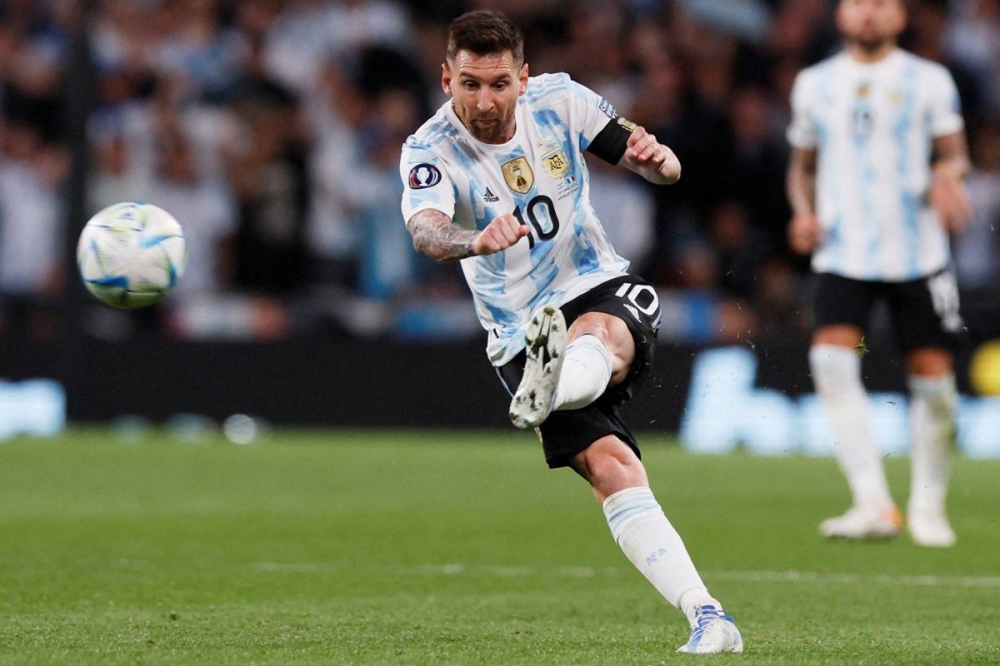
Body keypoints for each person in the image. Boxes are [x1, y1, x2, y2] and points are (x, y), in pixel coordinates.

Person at [400, 10, 743, 654]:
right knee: (613, 468)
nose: (485, 102)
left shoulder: (562, 100)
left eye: (498, 84)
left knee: (595, 333)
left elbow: (655, 164)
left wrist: (661, 162)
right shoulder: (428, 149)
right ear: (447, 80)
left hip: (595, 284)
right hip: (518, 332)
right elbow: (425, 230)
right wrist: (474, 240)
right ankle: (709, 616)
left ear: (524, 78)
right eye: (470, 85)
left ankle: (553, 383)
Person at [786, 0, 972, 547]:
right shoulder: (813, 84)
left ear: (901, 16)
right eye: (858, 2)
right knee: (829, 358)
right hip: (843, 250)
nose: (868, 12)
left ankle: (928, 507)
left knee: (934, 382)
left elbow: (955, 154)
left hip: (918, 251)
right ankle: (872, 503)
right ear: (842, 14)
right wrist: (802, 211)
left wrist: (947, 177)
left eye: (881, 3)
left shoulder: (929, 79)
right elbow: (802, 167)